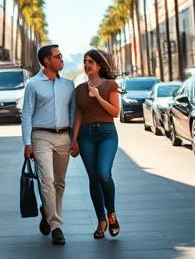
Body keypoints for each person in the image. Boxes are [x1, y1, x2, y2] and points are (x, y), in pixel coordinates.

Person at [21, 43, 75, 246]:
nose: (61, 59)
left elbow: (72, 113)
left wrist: (74, 139)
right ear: (46, 61)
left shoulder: (68, 85)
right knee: (47, 180)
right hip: (41, 136)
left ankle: (48, 211)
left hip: (63, 138)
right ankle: (56, 226)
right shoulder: (33, 85)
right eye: (58, 56)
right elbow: (26, 114)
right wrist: (27, 143)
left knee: (59, 182)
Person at [71, 49, 121, 239]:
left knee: (103, 173)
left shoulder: (110, 85)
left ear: (99, 65)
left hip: (107, 134)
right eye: (85, 61)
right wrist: (74, 139)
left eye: (91, 61)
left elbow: (115, 112)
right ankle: (101, 220)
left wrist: (98, 96)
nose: (87, 65)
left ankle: (112, 214)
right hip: (86, 136)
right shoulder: (80, 90)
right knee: (93, 179)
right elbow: (79, 115)